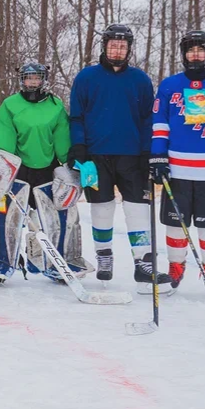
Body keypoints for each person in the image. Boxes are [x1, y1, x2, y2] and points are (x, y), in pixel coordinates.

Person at [0, 62, 83, 283]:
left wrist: (71, 164)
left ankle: (57, 262)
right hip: (17, 168)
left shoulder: (55, 106)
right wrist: (5, 168)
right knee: (6, 215)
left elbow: (62, 140)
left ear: (44, 80)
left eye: (37, 78)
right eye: (28, 78)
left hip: (48, 169)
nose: (32, 82)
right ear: (21, 80)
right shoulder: (10, 105)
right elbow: (3, 139)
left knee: (56, 216)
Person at [69, 24, 160, 285]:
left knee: (137, 209)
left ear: (129, 49)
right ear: (105, 46)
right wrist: (79, 148)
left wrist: (148, 151)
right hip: (96, 157)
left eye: (123, 46)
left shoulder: (140, 79)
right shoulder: (86, 78)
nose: (118, 49)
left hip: (132, 156)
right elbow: (76, 117)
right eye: (113, 45)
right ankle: (104, 256)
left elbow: (147, 119)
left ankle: (142, 262)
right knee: (101, 208)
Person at [151, 30, 205, 291]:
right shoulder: (169, 85)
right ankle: (175, 267)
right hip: (177, 169)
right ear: (183, 54)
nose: (195, 55)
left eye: (200, 50)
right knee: (175, 223)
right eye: (190, 50)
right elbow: (160, 123)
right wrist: (158, 156)